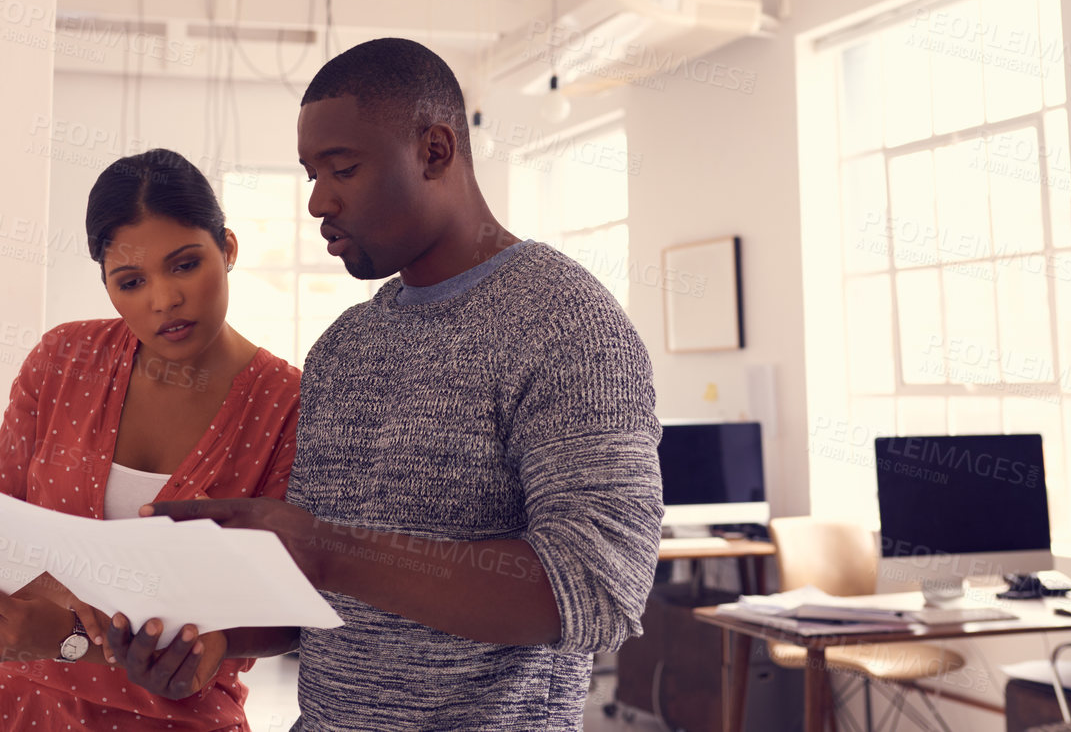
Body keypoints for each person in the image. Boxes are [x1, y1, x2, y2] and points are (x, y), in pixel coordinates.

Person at [97, 38, 663, 732]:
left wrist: (333, 549)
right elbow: (324, 603)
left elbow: (598, 591)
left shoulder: (566, 323)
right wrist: (213, 642)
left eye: (342, 168)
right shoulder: (342, 347)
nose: (316, 201)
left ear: (433, 149)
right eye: (310, 172)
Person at [0, 148, 301, 732]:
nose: (163, 299)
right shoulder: (62, 360)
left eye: (185, 265)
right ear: (108, 286)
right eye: (132, 281)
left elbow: (283, 608)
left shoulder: (287, 405)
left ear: (229, 249)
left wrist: (64, 636)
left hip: (183, 720)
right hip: (30, 711)